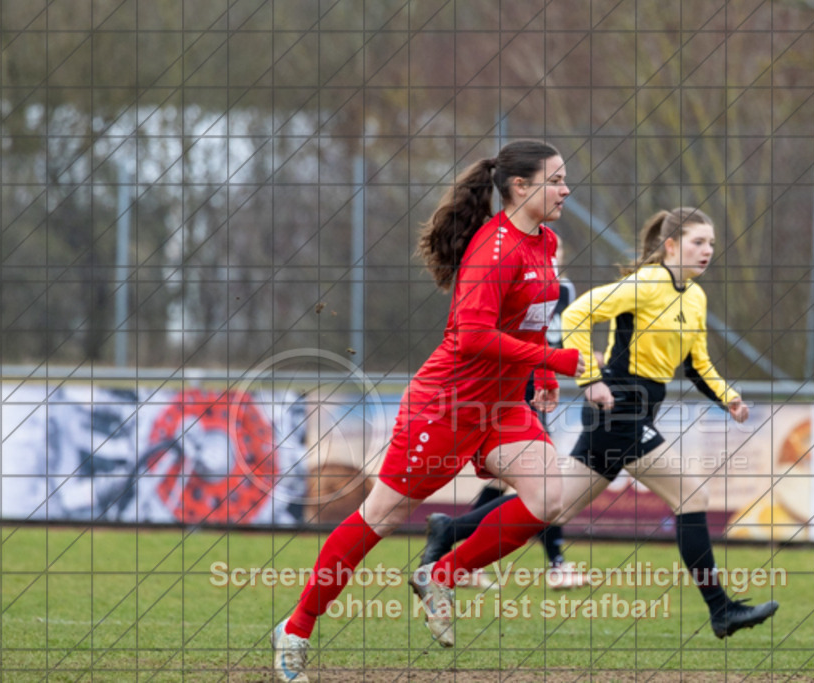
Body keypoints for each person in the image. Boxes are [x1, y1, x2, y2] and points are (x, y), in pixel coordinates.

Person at [270, 140, 584, 682]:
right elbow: (472, 338)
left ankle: (443, 571)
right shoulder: (496, 249)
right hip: (448, 405)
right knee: (382, 517)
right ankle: (295, 629)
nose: (566, 189)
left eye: (563, 179)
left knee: (549, 498)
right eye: (556, 180)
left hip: (503, 407)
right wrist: (553, 356)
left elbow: (526, 323)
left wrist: (541, 374)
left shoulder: (544, 242)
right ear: (520, 187)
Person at [418, 207, 779, 639]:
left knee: (554, 506)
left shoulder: (695, 298)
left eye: (712, 244)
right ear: (670, 246)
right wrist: (589, 378)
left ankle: (449, 530)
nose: (707, 251)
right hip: (619, 407)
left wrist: (728, 397)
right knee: (692, 495)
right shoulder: (646, 285)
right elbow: (576, 315)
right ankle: (722, 611)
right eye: (697, 242)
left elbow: (697, 363)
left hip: (637, 410)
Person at [420, 233, 590, 591]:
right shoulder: (509, 271)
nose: (551, 260)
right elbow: (491, 333)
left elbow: (550, 336)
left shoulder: (565, 290)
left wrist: (555, 370)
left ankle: (451, 539)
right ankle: (555, 563)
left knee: (527, 484)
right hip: (508, 384)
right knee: (541, 481)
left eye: (556, 255)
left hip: (537, 382)